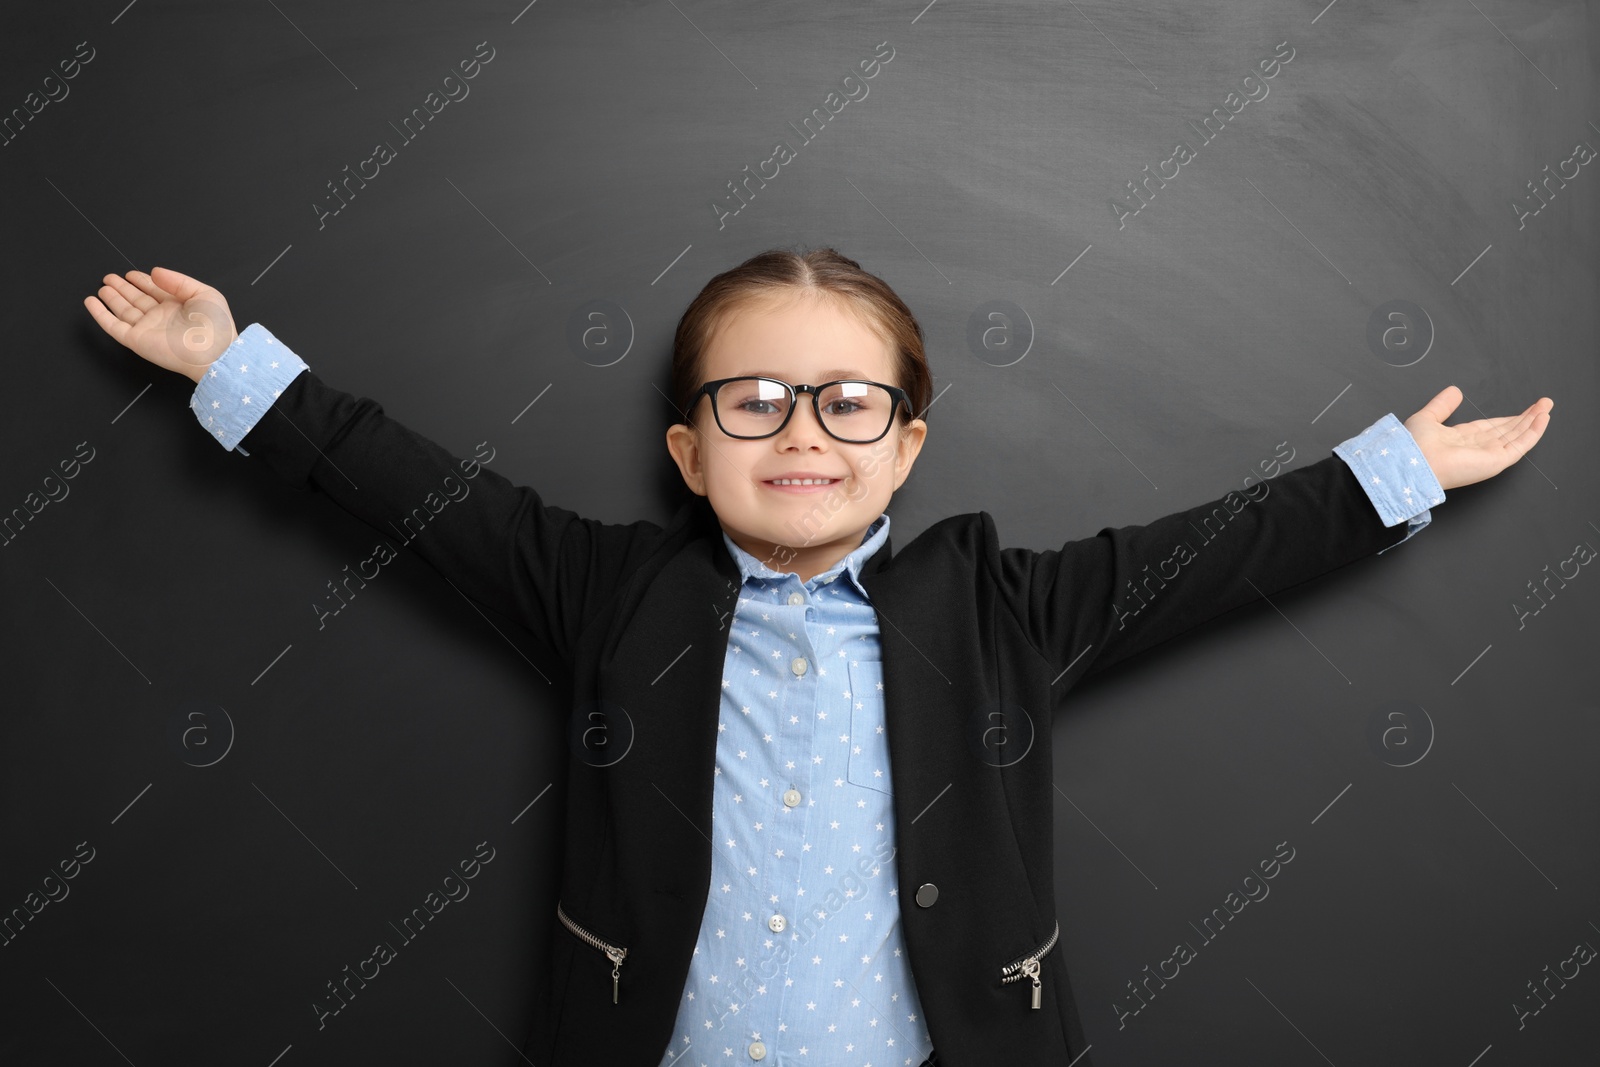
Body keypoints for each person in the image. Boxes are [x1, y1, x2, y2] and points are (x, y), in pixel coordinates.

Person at [83, 251, 1552, 1067]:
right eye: (756, 400)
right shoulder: (605, 591)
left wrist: (1390, 471)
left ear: (907, 445)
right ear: (686, 447)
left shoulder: (1002, 610)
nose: (802, 433)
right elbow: (401, 483)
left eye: (850, 403)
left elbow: (1214, 555)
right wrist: (227, 361)